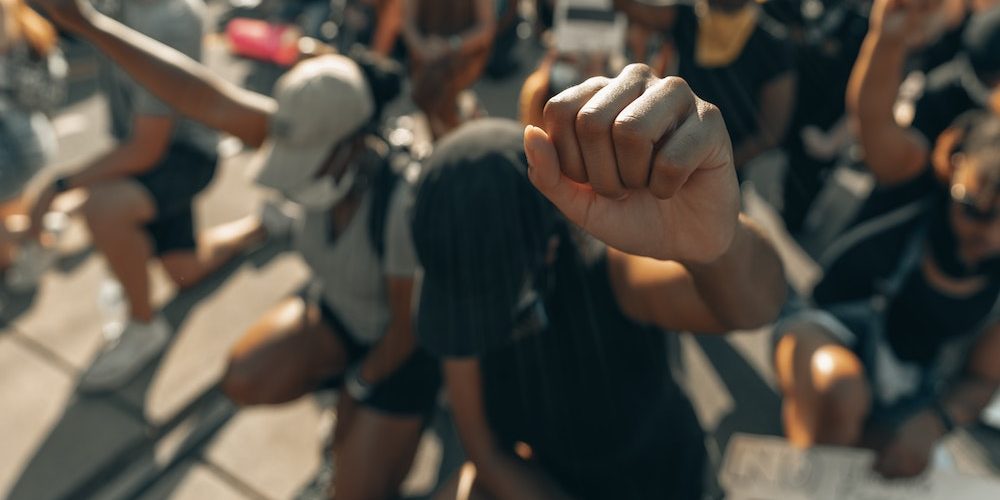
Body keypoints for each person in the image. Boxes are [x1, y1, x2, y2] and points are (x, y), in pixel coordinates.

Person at [32, 0, 441, 496]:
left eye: (307, 163)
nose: (294, 175)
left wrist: (355, 403)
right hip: (339, 313)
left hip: (400, 348)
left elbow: (405, 332)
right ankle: (343, 395)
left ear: (354, 142)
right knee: (245, 377)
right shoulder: (306, 128)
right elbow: (198, 95)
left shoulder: (403, 202)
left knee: (354, 489)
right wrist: (89, 25)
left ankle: (381, 420)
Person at [414, 65, 787, 499]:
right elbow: (487, 451)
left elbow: (755, 306)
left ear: (550, 249)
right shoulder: (453, 300)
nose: (477, 316)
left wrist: (716, 247)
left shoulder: (611, 276)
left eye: (491, 292)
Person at [773, 0, 1000, 479]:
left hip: (906, 393)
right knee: (839, 394)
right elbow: (872, 120)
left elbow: (982, 379)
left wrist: (935, 422)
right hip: (823, 330)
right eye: (975, 206)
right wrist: (887, 38)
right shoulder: (918, 183)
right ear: (953, 167)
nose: (988, 230)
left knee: (893, 465)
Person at [616, 0, 797, 169]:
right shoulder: (688, 18)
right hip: (669, 150)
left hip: (719, 170)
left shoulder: (773, 45)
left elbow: (770, 133)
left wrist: (715, 163)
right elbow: (629, 7)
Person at [0, 0, 64, 287]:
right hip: (32, 136)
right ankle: (37, 233)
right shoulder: (32, 28)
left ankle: (38, 235)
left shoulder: (16, 41)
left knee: (9, 219)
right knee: (14, 209)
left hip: (14, 149)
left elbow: (40, 96)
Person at [401, 0, 495, 139]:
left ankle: (457, 134)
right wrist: (422, 48)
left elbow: (485, 29)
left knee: (437, 90)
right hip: (427, 54)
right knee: (429, 90)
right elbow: (407, 24)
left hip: (463, 52)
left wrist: (450, 45)